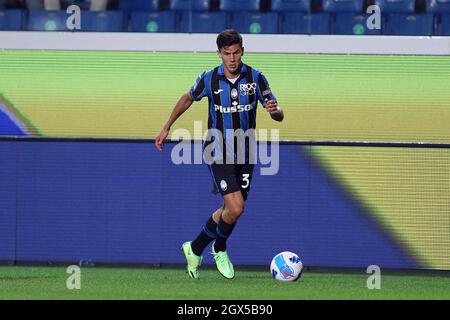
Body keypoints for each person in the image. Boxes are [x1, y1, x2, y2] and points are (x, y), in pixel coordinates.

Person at [155, 29, 284, 280]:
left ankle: (194, 248)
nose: (232, 59)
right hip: (218, 149)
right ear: (219, 54)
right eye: (227, 54)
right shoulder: (209, 79)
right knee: (237, 207)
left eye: (236, 53)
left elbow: (278, 114)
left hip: (246, 151)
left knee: (229, 210)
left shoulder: (257, 78)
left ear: (242, 51)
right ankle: (220, 248)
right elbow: (187, 98)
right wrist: (167, 126)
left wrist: (274, 111)